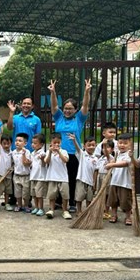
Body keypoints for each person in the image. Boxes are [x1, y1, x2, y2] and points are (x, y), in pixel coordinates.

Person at [49, 78, 91, 213]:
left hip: (73, 154)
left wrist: (86, 92)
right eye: (66, 108)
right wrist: (53, 92)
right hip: (58, 153)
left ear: (75, 109)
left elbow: (85, 106)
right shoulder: (59, 117)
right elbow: (54, 106)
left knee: (71, 179)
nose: (67, 111)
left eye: (70, 109)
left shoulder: (79, 119)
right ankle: (59, 201)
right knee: (58, 178)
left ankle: (71, 202)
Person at [105, 133, 136, 226]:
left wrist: (112, 165)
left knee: (125, 202)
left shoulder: (129, 154)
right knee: (113, 201)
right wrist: (112, 162)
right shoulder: (117, 154)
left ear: (130, 144)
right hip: (115, 181)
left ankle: (128, 217)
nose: (122, 145)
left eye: (125, 143)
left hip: (125, 183)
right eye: (120, 143)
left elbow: (125, 163)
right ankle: (114, 215)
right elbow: (114, 161)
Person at [43, 133, 70, 219]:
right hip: (52, 177)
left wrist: (59, 152)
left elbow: (65, 160)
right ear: (51, 142)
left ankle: (65, 210)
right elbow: (46, 161)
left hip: (63, 178)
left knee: (65, 195)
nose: (56, 144)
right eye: (54, 142)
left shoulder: (64, 151)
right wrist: (50, 152)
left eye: (58, 142)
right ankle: (51, 209)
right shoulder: (48, 152)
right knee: (52, 195)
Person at [70, 134, 98, 214]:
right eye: (89, 145)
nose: (91, 147)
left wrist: (94, 182)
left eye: (93, 145)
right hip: (81, 180)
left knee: (89, 198)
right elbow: (77, 148)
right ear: (84, 146)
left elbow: (96, 171)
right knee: (79, 197)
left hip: (90, 182)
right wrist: (74, 140)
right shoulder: (82, 154)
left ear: (96, 145)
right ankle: (79, 211)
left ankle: (87, 212)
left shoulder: (96, 158)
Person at [28, 133, 48, 216]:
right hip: (33, 176)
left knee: (39, 195)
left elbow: (44, 165)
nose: (33, 145)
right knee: (34, 194)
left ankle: (41, 208)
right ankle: (36, 207)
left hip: (40, 177)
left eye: (35, 143)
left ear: (41, 144)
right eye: (32, 143)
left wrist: (42, 159)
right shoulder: (32, 153)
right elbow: (31, 165)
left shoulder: (43, 153)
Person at [12, 133, 31, 212]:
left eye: (20, 141)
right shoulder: (13, 152)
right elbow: (13, 163)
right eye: (16, 140)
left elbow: (26, 163)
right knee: (17, 192)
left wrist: (23, 154)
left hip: (25, 175)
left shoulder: (27, 152)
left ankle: (26, 205)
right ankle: (19, 205)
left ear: (25, 143)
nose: (17, 142)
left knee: (26, 193)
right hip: (16, 175)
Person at [0, 134, 13, 211]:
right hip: (0, 174)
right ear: (1, 144)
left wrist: (12, 168)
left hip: (8, 175)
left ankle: (7, 203)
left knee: (7, 191)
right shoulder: (0, 150)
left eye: (8, 143)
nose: (6, 145)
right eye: (4, 143)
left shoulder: (12, 153)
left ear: (11, 143)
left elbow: (13, 163)